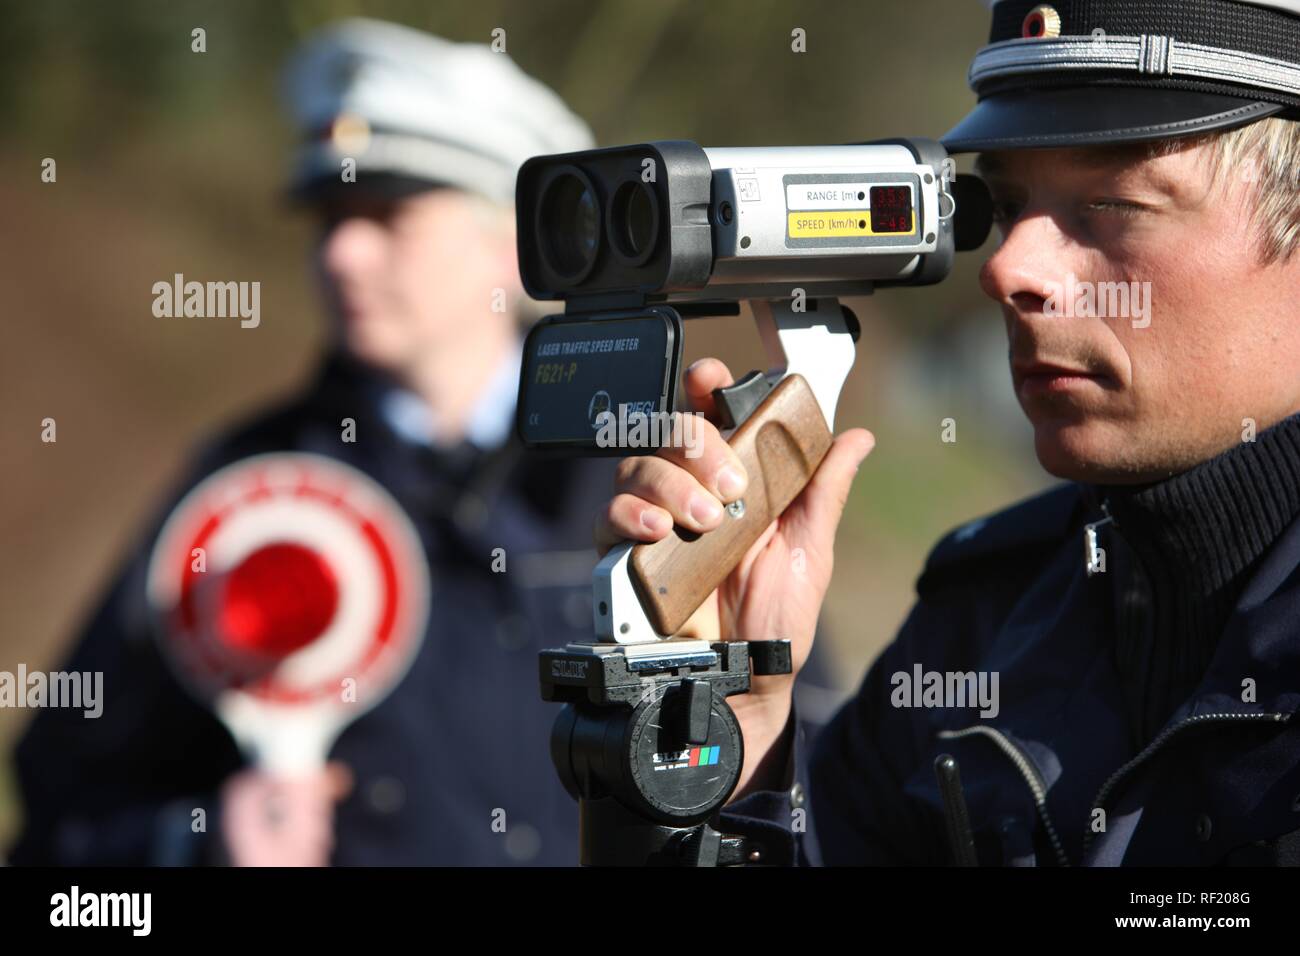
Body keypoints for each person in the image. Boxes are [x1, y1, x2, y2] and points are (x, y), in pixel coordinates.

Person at [615, 0, 1300, 865]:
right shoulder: (984, 622)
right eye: (1008, 205)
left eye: (1111, 203)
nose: (1009, 266)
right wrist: (717, 742)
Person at [8, 18, 609, 866]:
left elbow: (790, 778)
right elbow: (60, 833)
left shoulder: (647, 481)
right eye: (329, 219)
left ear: (510, 247)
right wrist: (198, 843)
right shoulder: (241, 496)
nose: (343, 254)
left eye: (388, 215)